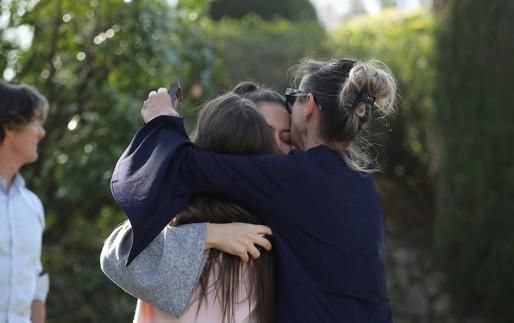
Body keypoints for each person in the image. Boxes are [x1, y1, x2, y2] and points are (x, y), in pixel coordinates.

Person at [110, 58, 397, 322]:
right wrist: (209, 234)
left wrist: (162, 117)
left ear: (308, 105)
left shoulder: (292, 182)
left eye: (292, 100)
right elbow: (121, 255)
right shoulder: (363, 188)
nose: (270, 151)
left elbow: (184, 166)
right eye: (262, 133)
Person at [101, 82, 291, 321]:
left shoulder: (172, 227)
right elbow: (119, 256)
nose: (277, 146)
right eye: (267, 132)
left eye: (286, 137)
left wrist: (164, 127)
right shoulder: (264, 238)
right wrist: (209, 235)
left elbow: (120, 256)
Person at [0, 82, 50, 323]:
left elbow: (37, 284)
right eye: (36, 122)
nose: (41, 132)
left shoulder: (32, 206)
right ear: (10, 127)